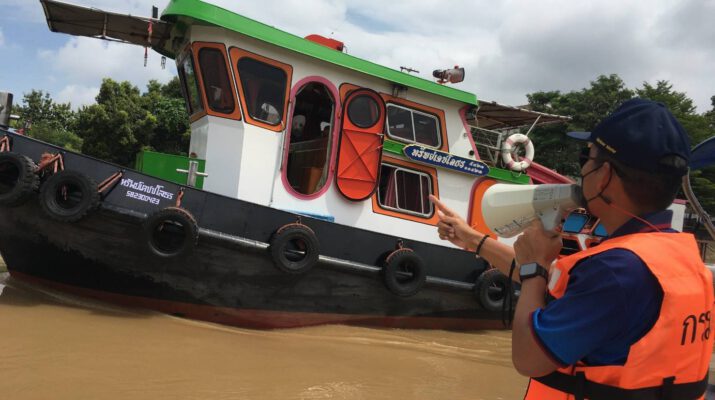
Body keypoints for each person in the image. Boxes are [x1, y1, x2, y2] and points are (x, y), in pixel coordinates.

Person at [432, 98, 713, 399]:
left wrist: (534, 269)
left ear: (604, 175)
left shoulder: (615, 271)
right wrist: (473, 240)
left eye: (586, 158)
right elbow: (559, 283)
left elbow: (529, 359)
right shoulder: (675, 257)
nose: (583, 170)